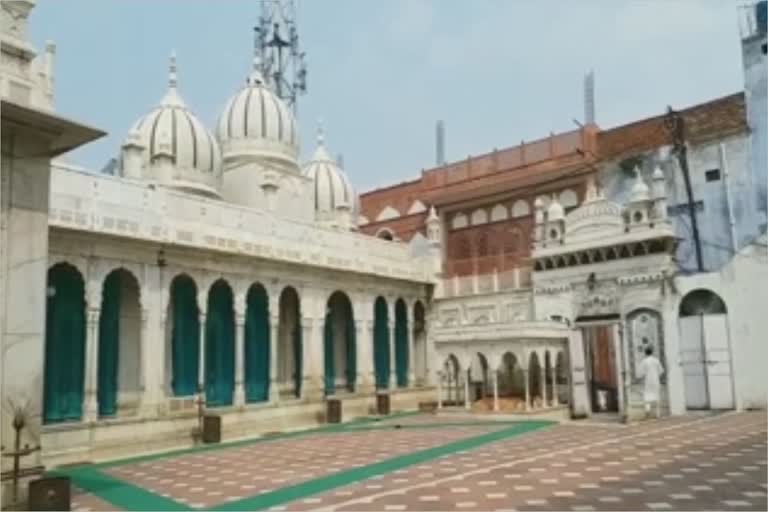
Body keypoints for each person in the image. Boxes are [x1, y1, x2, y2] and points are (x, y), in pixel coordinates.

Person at [638, 346, 664, 419]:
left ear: (645, 353)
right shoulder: (656, 360)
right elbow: (661, 371)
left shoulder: (644, 361)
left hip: (648, 381)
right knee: (657, 397)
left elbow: (640, 373)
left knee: (647, 397)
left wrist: (640, 379)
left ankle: (647, 411)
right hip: (656, 381)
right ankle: (658, 414)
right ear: (652, 352)